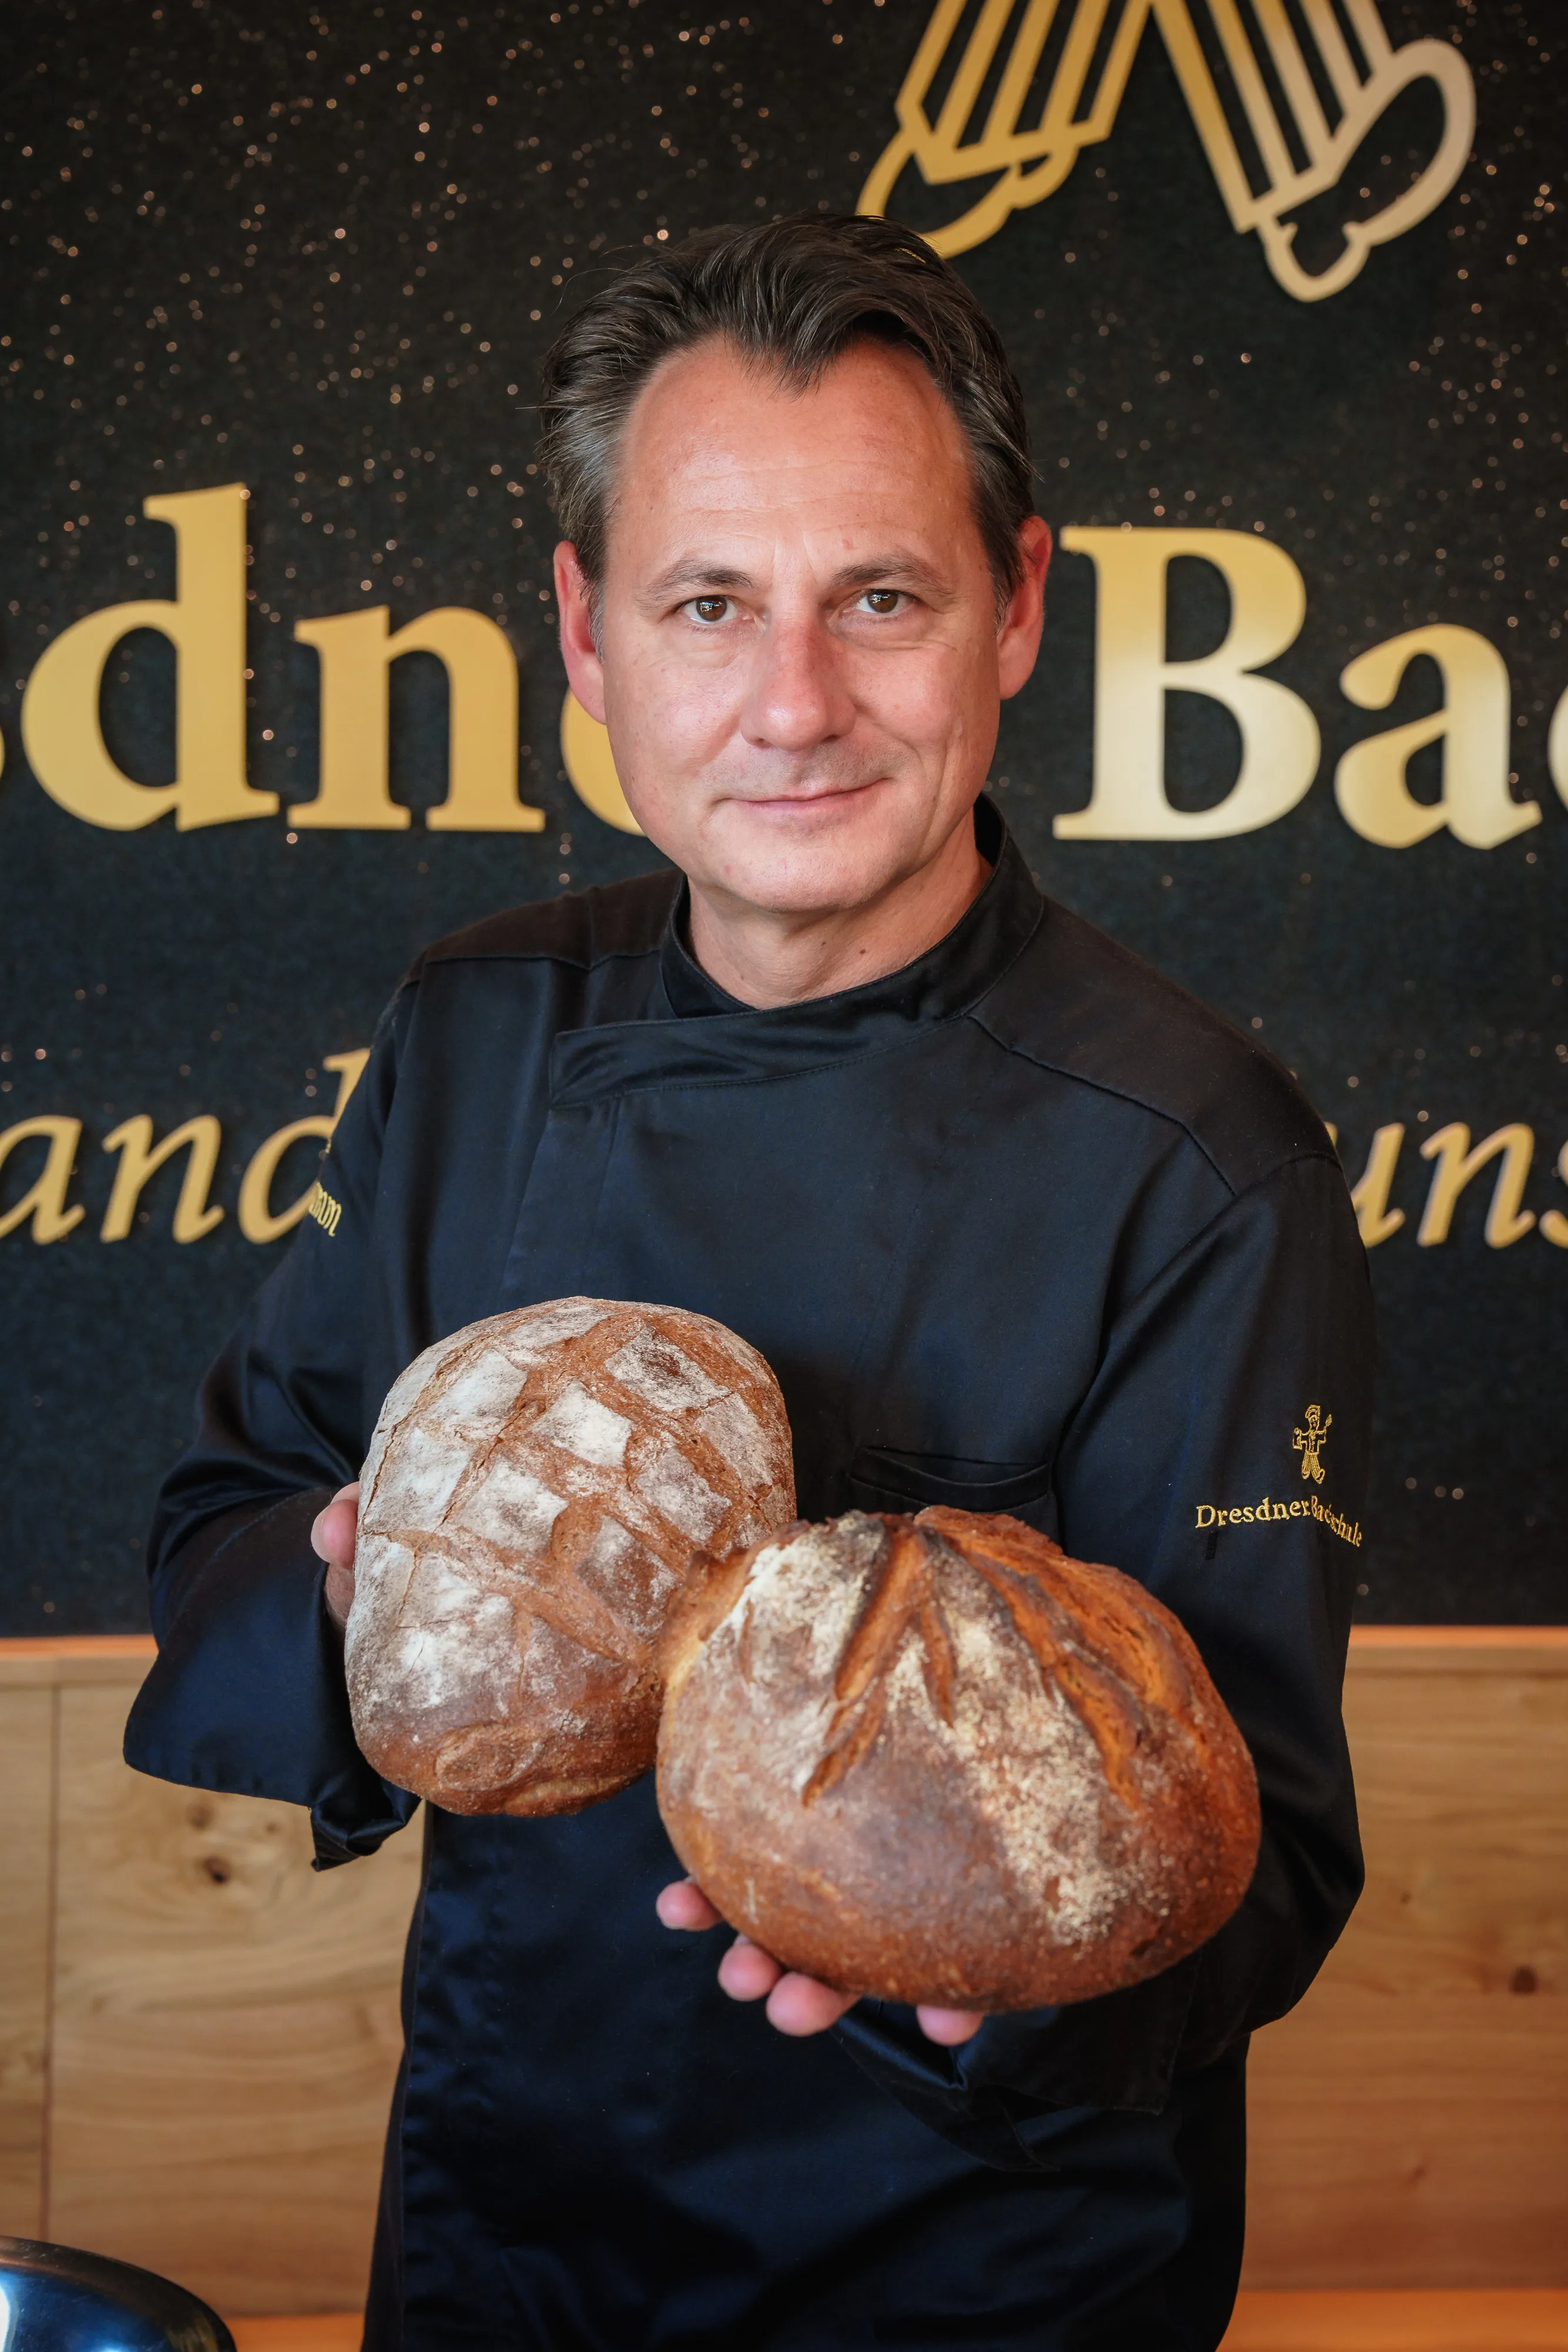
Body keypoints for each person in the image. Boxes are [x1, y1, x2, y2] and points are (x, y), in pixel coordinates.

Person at [125, 215, 1373, 2350]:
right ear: (590, 636)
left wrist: (975, 1983)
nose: (793, 705)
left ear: (1014, 615)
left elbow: (1256, 1851)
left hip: (973, 2274)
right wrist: (375, 1591)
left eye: (879, 600)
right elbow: (225, 1514)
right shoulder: (479, 1032)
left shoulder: (1205, 1158)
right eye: (709, 604)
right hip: (500, 2240)